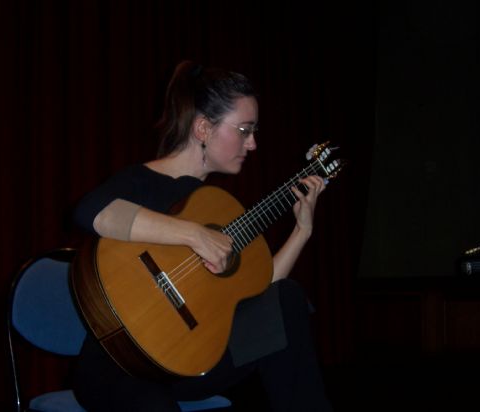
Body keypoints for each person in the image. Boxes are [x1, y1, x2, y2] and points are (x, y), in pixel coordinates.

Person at [71, 60, 333, 411]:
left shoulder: (221, 210)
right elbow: (91, 211)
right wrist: (193, 235)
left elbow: (259, 285)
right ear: (203, 129)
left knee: (285, 300)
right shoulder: (144, 180)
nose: (252, 143)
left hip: (191, 359)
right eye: (244, 129)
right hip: (121, 365)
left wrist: (303, 230)